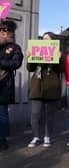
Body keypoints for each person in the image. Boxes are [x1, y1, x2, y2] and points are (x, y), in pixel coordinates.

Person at [27, 32, 64, 148]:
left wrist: (59, 58)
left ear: (53, 40)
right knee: (35, 113)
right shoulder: (37, 50)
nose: (44, 40)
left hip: (51, 88)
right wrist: (29, 58)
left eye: (47, 38)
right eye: (43, 38)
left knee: (49, 114)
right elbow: (30, 68)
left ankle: (47, 136)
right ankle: (36, 137)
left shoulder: (58, 52)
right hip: (37, 87)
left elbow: (62, 69)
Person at [0, 20, 23, 150]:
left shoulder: (14, 47)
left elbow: (16, 63)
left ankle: (2, 139)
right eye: (1, 30)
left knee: (2, 113)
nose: (2, 33)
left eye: (5, 30)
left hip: (4, 86)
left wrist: (1, 62)